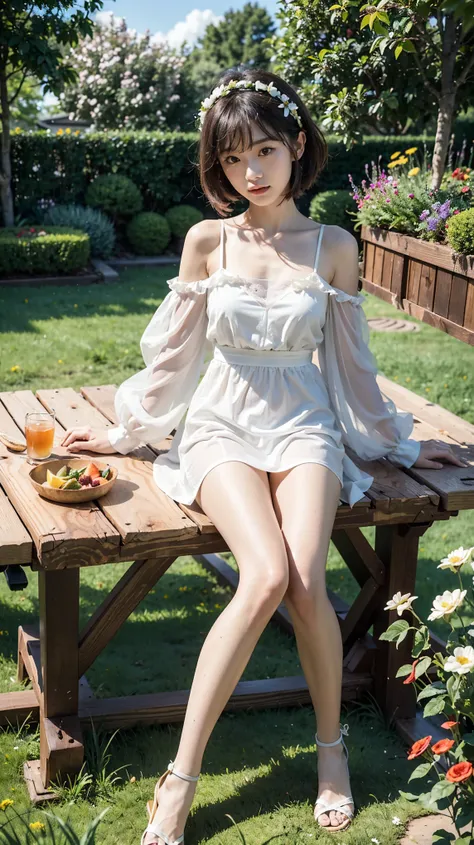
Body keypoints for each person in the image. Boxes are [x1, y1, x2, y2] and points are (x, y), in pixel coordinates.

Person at [61, 68, 467, 845]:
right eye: (233, 158)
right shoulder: (207, 241)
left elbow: (351, 370)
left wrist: (403, 444)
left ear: (298, 147)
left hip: (304, 425)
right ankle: (178, 780)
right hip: (220, 425)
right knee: (269, 572)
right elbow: (176, 359)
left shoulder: (334, 246)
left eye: (266, 151)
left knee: (309, 579)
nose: (250, 172)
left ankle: (330, 752)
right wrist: (126, 430)